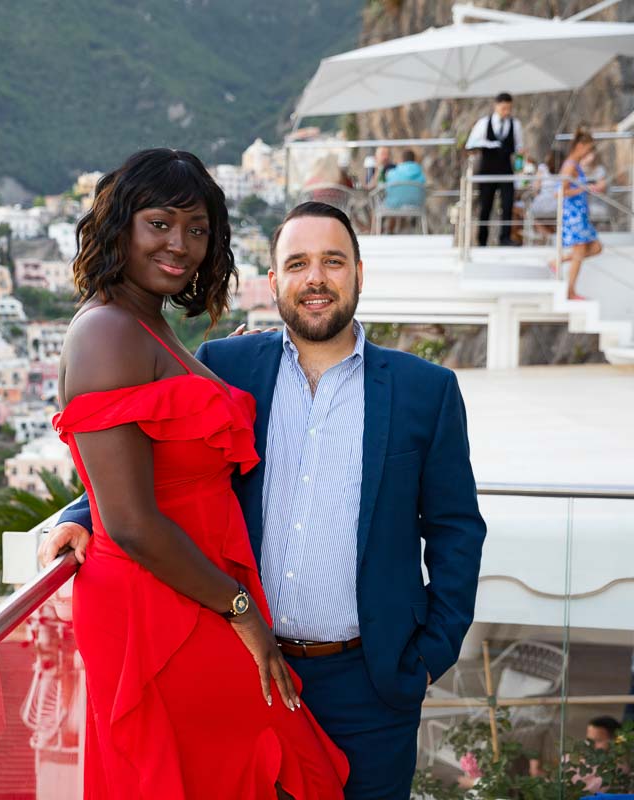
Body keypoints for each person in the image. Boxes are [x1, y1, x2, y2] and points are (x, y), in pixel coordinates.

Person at [43, 200, 487, 799]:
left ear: (359, 273)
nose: (316, 278)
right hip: (239, 665)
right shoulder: (228, 366)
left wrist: (432, 654)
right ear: (275, 282)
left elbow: (457, 528)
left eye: (333, 261)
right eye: (298, 263)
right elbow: (165, 456)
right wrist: (80, 514)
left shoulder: (424, 390)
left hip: (372, 680)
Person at [50, 150, 349, 798]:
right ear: (120, 225)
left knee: (240, 765)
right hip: (162, 608)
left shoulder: (146, 323)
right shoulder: (107, 333)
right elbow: (128, 522)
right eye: (160, 224)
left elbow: (146, 465)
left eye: (197, 229)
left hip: (195, 591)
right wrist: (240, 610)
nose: (180, 245)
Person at [466, 92, 526, 246]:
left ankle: (504, 237)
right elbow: (470, 144)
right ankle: (482, 239)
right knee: (485, 206)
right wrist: (486, 144)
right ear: (496, 106)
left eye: (509, 108)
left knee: (507, 205)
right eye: (503, 108)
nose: (506, 111)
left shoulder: (515, 124)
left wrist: (520, 165)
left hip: (506, 170)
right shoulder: (484, 123)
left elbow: (519, 148)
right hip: (487, 170)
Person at [558, 127, 603, 300]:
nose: (589, 152)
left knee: (596, 248)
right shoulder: (570, 165)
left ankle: (558, 261)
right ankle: (570, 291)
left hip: (580, 213)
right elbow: (560, 192)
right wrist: (583, 189)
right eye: (588, 148)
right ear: (580, 146)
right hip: (573, 215)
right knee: (580, 252)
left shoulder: (575, 164)